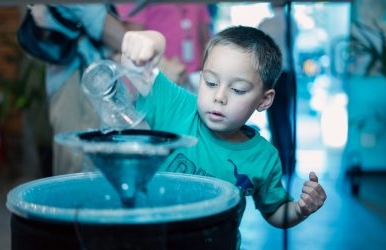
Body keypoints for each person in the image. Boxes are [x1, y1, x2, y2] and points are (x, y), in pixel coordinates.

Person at [121, 26, 326, 230]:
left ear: (264, 100)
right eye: (210, 83)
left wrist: (300, 210)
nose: (219, 97)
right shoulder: (176, 105)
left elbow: (275, 211)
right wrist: (151, 40)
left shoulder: (264, 157)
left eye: (237, 89)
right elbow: (136, 66)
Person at [30, 4, 127, 175]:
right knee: (79, 167)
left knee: (93, 166)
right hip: (77, 80)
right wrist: (133, 45)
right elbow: (96, 17)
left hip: (89, 77)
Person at [115, 3, 211, 92]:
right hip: (158, 79)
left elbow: (206, 40)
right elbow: (131, 41)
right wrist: (162, 68)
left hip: (193, 79)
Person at [258, 2, 298, 176]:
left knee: (276, 120)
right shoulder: (293, 22)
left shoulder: (266, 23)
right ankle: (289, 162)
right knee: (285, 120)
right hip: (289, 75)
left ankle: (281, 162)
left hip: (274, 76)